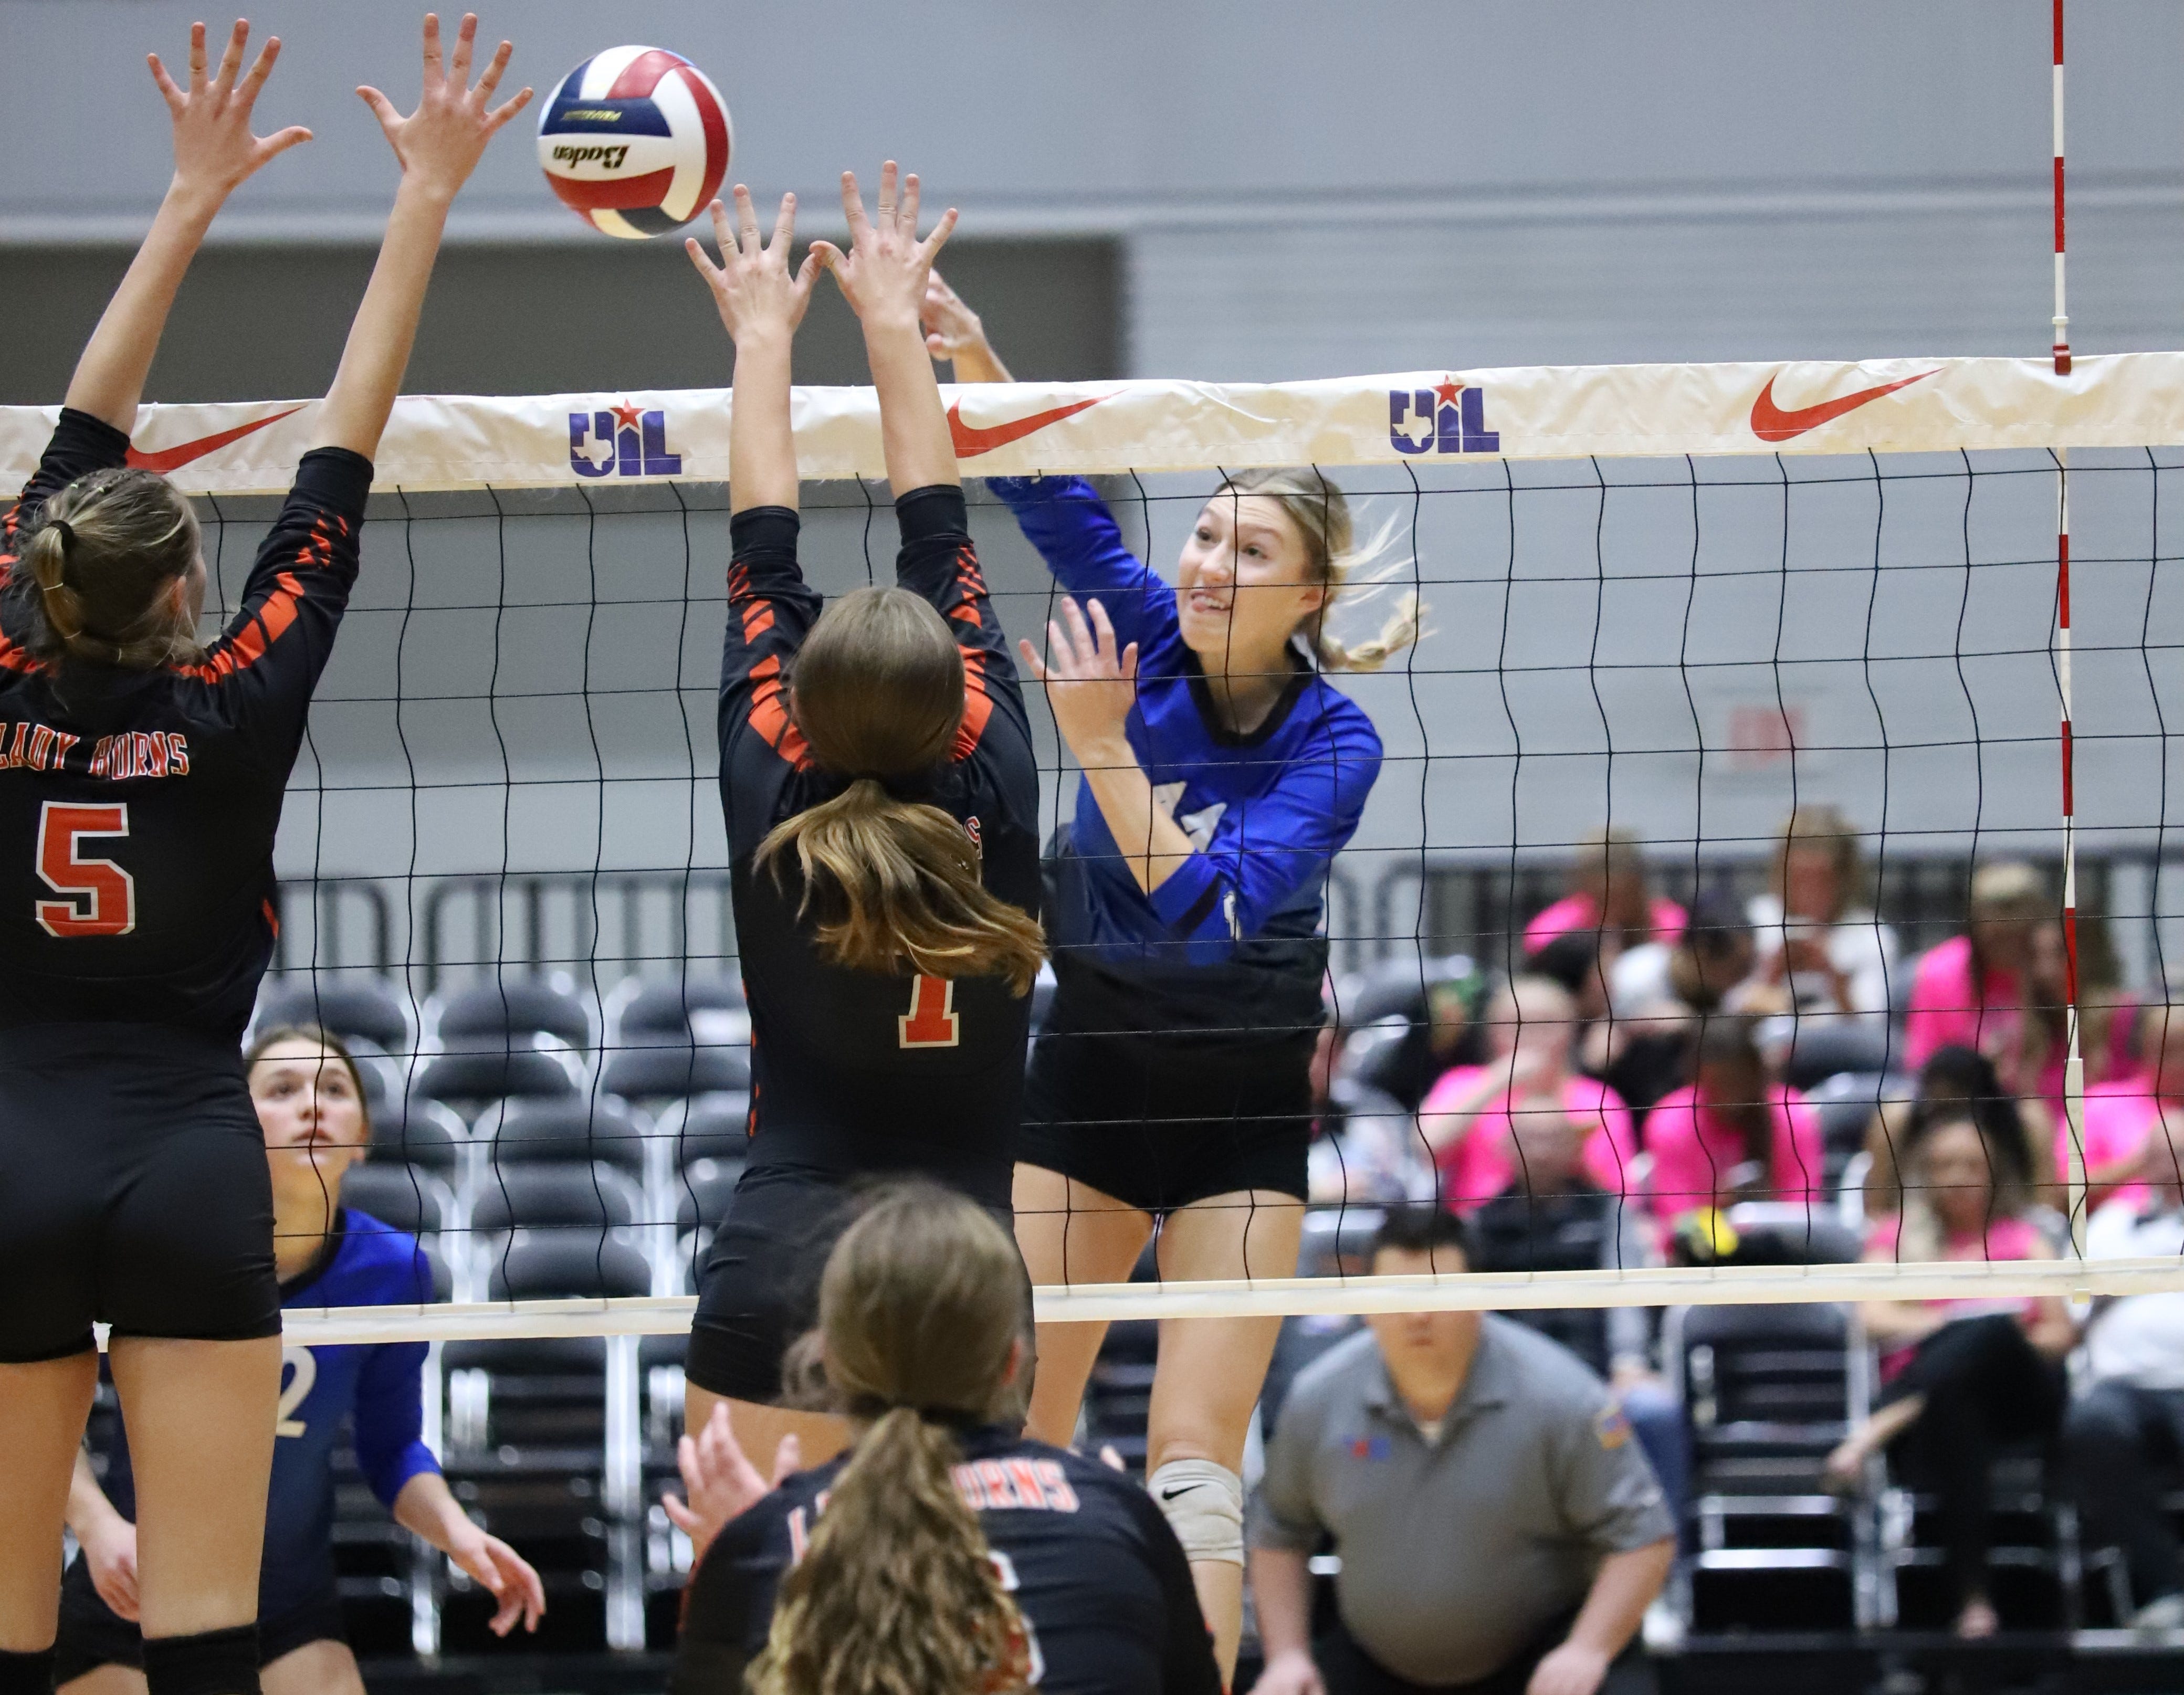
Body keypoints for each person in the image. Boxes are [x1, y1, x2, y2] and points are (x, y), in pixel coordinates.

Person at [0, 21, 525, 1695]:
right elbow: (341, 454)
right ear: (183, 599)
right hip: (183, 1157)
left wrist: (183, 199)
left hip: (8, 1151)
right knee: (211, 1640)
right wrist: (425, 197)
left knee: (17, 1633)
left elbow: (75, 449)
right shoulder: (239, 700)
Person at [921, 274, 1419, 1680]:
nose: (1207, 560)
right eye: (1204, 529)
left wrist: (1101, 747)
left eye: (1248, 548)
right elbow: (1049, 490)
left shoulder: (1339, 743)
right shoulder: (1140, 624)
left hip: (1242, 1112)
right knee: (1013, 1436)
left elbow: (1209, 927)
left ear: (1310, 593)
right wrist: (973, 348)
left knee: (1195, 1463)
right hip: (1086, 1084)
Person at [679, 170, 1045, 1476]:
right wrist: (898, 323)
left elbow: (760, 545)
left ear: (805, 699)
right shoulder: (999, 778)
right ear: (960, 695)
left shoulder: (771, 783)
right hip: (963, 1285)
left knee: (750, 1630)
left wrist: (761, 339)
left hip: (784, 1259)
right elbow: (941, 529)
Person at [57, 1027, 545, 1695]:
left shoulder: (393, 1270)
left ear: (362, 1135)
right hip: (134, 1586)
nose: (311, 1105)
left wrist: (460, 1533)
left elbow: (392, 1449)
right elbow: (42, 1404)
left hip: (287, 1603)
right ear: (235, 1123)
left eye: (334, 1090)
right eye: (282, 1090)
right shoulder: (159, 1246)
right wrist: (97, 1524)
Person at [668, 1183, 1222, 1695]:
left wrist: (756, 1571)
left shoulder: (766, 1541)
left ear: (832, 1363)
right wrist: (1113, 1523)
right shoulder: (1118, 1513)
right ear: (1012, 1363)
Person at [1249, 1207, 1674, 1695]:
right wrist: (1287, 1656)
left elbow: (1643, 1538)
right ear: (1363, 1304)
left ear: (1479, 1297)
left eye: (1437, 1291)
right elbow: (1278, 1531)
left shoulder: (1563, 1397)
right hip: (1373, 1664)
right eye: (1395, 1294)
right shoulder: (1317, 1400)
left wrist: (1587, 1649)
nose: (1417, 1314)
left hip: (1539, 1659)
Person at [1824, 1110, 2073, 1638]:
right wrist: (1957, 1322)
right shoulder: (1895, 1235)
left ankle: (1877, 1423)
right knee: (1958, 1391)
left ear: (1991, 1171)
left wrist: (1985, 1335)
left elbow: (2057, 1334)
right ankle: (1973, 1599)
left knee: (1994, 1335)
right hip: (1942, 1417)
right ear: (1923, 1172)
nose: (1957, 1175)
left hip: (2018, 1402)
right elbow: (1871, 1317)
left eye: (1969, 1163)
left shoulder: (2023, 1237)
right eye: (1943, 1164)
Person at [1466, 1091, 1687, 1522]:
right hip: (1508, 1385)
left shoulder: (1608, 1212)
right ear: (1506, 1150)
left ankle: (1666, 1571)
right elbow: (1476, 1317)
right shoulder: (1481, 1224)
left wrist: (1629, 1362)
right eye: (1529, 1139)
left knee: (1655, 1414)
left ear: (1574, 1146)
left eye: (1552, 1139)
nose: (1542, 1151)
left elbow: (1628, 1296)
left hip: (1600, 1382)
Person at [2063, 1097, 2184, 1630]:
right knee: (2090, 1428)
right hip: (2122, 1388)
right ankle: (2166, 1586)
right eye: (2161, 1153)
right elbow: (2071, 1304)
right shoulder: (2110, 1223)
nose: (2171, 1163)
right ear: (2143, 1159)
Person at [1418, 976, 1637, 1213]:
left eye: (1546, 1024)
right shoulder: (1463, 1083)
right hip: (1479, 1231)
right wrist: (1497, 1080)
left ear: (1570, 1031)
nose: (1531, 1036)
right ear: (1492, 1031)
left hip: (1572, 1235)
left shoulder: (1599, 1100)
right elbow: (1429, 1150)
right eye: (1517, 1024)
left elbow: (1620, 1193)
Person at [1640, 1016, 1824, 1219]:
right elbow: (1677, 1221)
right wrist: (1720, 1207)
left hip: (1780, 1242)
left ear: (1756, 1073)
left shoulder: (1792, 1115)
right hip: (1701, 1245)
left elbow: (1803, 1210)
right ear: (1697, 1077)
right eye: (1716, 1082)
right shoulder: (1671, 1124)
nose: (1728, 1094)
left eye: (1736, 1080)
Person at [1742, 804, 1897, 1033]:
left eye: (1821, 880)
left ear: (1845, 879)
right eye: (1799, 878)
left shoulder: (1871, 935)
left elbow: (1872, 1031)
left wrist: (1833, 975)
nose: (1809, 891)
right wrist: (1771, 975)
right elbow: (1726, 1016)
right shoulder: (1753, 918)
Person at [1859, 1045, 2042, 1224]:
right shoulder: (1898, 1120)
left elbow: (2045, 1210)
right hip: (1918, 1239)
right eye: (1942, 1109)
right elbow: (1877, 1215)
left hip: (2003, 1237)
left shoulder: (2025, 1123)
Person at [1902, 860, 2049, 1081]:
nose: (2009, 945)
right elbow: (1922, 1065)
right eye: (1998, 934)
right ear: (1976, 924)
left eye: (2019, 933)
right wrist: (1977, 1067)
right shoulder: (1940, 973)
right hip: (1967, 1101)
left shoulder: (2053, 971)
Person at [1523, 828, 1685, 962]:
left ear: (1638, 884)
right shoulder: (1554, 931)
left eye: (1620, 896)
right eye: (1601, 898)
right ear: (1584, 885)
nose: (1611, 907)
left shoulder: (1671, 923)